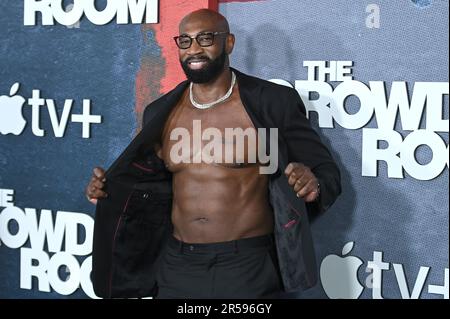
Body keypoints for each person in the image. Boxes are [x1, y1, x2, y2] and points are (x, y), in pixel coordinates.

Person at [86, 9, 341, 299]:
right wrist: (109, 189)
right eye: (185, 41)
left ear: (229, 43)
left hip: (246, 265)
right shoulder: (161, 112)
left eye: (205, 38)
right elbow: (149, 184)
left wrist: (313, 185)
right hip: (177, 264)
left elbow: (325, 171)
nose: (194, 49)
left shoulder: (269, 103)